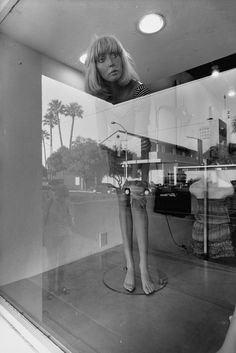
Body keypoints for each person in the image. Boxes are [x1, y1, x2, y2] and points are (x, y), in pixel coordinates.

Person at [85, 35, 155, 294]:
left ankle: (144, 266)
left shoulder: (139, 90)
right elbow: (103, 139)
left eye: (115, 55)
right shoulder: (99, 97)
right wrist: (120, 144)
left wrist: (124, 143)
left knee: (137, 205)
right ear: (95, 66)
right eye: (102, 59)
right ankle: (129, 264)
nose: (111, 63)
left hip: (137, 160)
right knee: (122, 205)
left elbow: (141, 140)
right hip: (115, 160)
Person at [189, 170, 234, 258]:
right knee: (219, 262)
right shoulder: (227, 187)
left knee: (201, 258)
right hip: (218, 228)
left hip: (201, 227)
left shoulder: (194, 187)